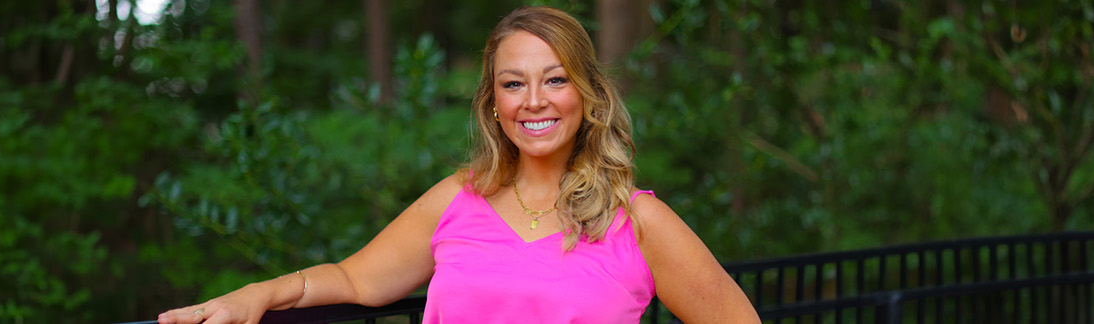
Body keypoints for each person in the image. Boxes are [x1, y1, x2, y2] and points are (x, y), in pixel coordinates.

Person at [158, 6, 760, 324]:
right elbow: (354, 280)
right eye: (512, 83)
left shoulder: (639, 221)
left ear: (588, 95)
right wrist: (257, 296)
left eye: (556, 79)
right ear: (494, 105)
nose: (534, 101)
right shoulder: (458, 198)